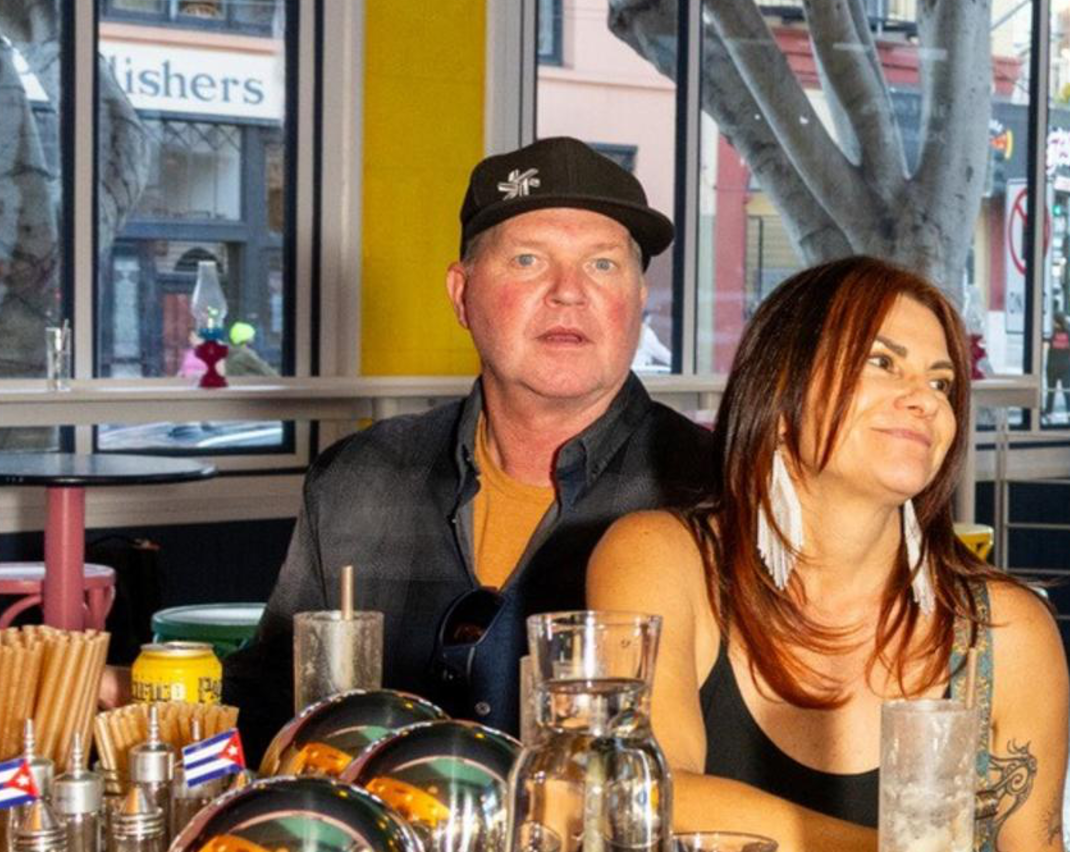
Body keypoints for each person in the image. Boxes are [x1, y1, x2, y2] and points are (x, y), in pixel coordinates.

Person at [591, 256, 1070, 852]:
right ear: (782, 389)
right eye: (883, 363)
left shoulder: (1007, 630)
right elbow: (647, 798)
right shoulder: (661, 558)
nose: (925, 398)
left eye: (941, 382)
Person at [243, 139, 716, 734]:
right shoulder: (357, 479)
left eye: (602, 264)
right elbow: (266, 706)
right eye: (527, 260)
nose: (569, 291)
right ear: (461, 294)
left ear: (639, 301)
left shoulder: (716, 492)